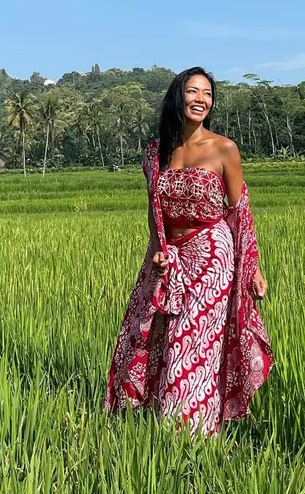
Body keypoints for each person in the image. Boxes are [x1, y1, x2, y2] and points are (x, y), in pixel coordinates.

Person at [105, 66, 273, 436]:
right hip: (170, 260)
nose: (201, 100)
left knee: (191, 343)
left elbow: (239, 211)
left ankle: (191, 436)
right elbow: (154, 212)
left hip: (212, 254)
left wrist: (252, 267)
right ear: (177, 96)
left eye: (207, 94)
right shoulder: (155, 152)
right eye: (193, 91)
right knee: (152, 336)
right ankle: (162, 426)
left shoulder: (224, 149)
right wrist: (157, 250)